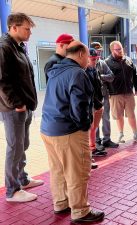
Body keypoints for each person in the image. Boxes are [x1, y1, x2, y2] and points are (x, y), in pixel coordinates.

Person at [40, 41, 105, 223]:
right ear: (81, 55)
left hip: (48, 129)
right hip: (69, 131)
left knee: (58, 170)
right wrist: (85, 126)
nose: (89, 60)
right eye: (88, 56)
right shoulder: (78, 73)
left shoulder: (55, 70)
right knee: (77, 171)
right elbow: (79, 106)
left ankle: (61, 203)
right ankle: (81, 211)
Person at [0, 12, 44, 203]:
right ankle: (12, 190)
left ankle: (22, 179)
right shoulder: (4, 48)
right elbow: (2, 81)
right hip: (13, 109)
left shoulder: (18, 47)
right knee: (14, 147)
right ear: (14, 27)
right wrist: (17, 103)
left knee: (23, 145)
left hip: (24, 107)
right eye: (27, 29)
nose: (29, 33)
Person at [105, 41, 137, 144]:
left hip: (129, 93)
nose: (120, 51)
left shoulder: (128, 60)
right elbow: (104, 80)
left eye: (121, 48)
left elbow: (134, 75)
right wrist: (107, 92)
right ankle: (121, 134)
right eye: (118, 49)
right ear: (112, 50)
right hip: (115, 94)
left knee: (131, 114)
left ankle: (135, 134)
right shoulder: (107, 62)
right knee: (119, 115)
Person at [91, 42, 119, 148]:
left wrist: (100, 76)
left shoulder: (102, 63)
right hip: (94, 97)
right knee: (95, 120)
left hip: (104, 95)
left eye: (100, 51)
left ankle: (107, 139)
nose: (99, 53)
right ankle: (96, 141)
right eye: (97, 51)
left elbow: (111, 76)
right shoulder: (87, 63)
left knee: (106, 118)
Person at [86, 48, 107, 167]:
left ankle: (93, 149)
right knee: (90, 129)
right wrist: (97, 103)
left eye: (96, 59)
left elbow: (98, 87)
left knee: (94, 128)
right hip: (93, 105)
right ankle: (89, 153)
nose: (95, 61)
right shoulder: (84, 72)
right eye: (93, 59)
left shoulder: (95, 70)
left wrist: (101, 102)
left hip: (99, 104)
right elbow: (90, 91)